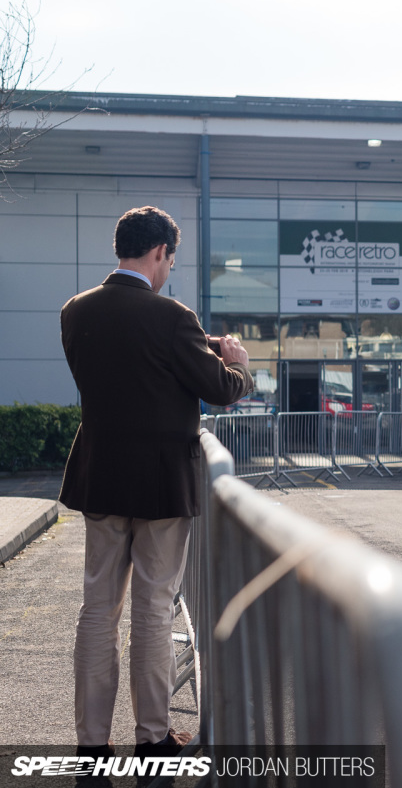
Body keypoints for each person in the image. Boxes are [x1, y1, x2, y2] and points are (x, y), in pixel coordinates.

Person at [60, 206, 254, 760]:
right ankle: (152, 737)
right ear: (158, 253)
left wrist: (191, 342)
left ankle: (91, 743)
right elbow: (219, 388)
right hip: (162, 482)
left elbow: (127, 366)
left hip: (100, 476)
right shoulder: (173, 317)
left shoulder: (76, 312)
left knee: (97, 608)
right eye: (171, 257)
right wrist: (236, 362)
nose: (170, 268)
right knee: (152, 607)